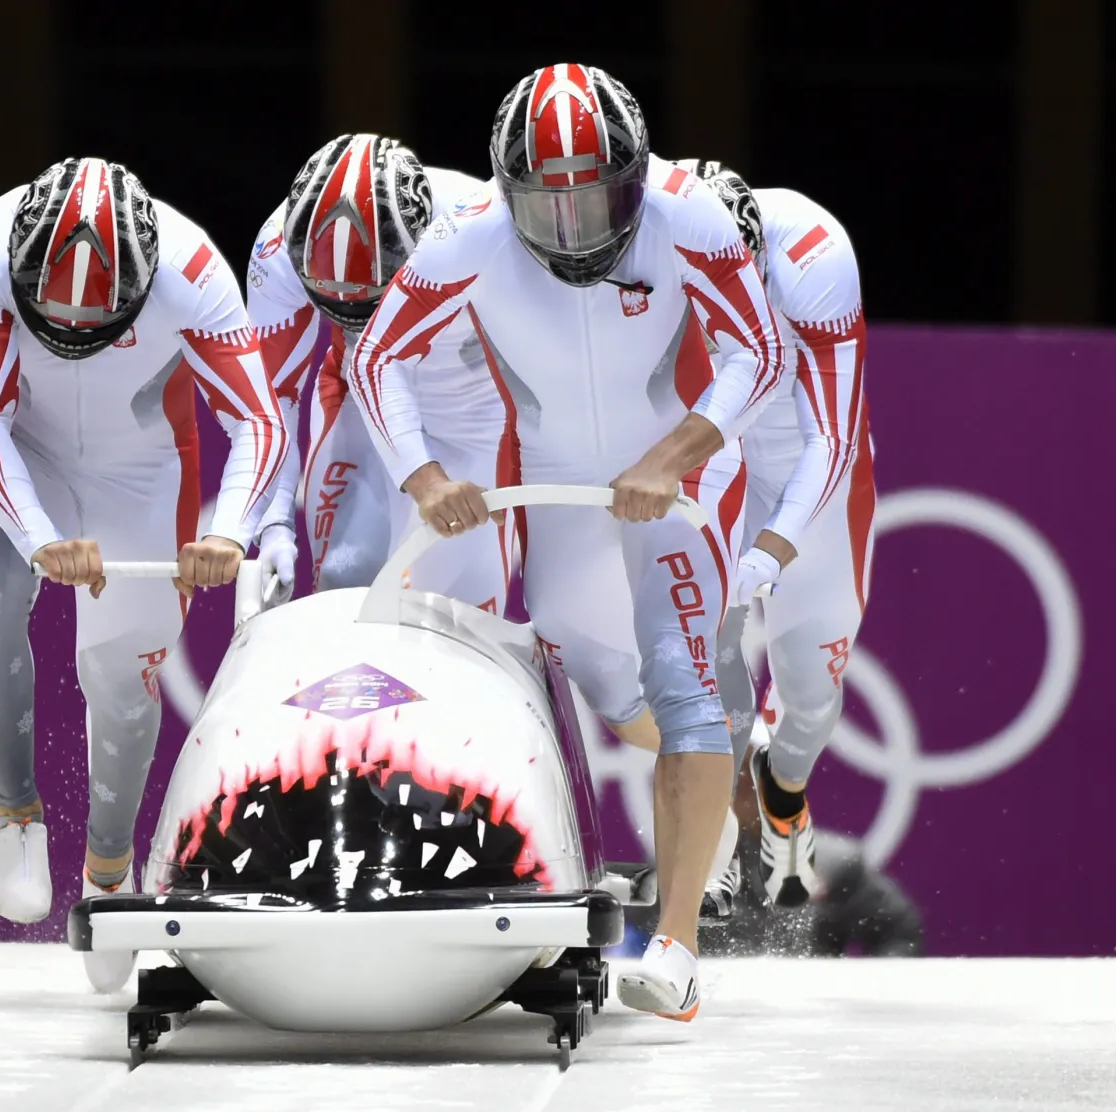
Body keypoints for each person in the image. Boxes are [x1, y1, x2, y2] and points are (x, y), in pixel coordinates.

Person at [346, 64, 785, 1020]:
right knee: (583, 659)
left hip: (679, 480)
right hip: (557, 481)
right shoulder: (465, 243)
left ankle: (676, 946)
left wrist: (674, 454)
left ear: (637, 176)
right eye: (548, 211)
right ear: (508, 197)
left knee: (679, 673)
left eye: (598, 202)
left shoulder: (689, 215)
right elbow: (377, 357)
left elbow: (762, 350)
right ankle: (730, 784)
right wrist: (425, 478)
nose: (576, 232)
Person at [0, 157, 289, 991]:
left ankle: (107, 868)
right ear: (21, 272)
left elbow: (260, 423)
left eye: (94, 316)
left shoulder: (192, 269)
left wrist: (231, 530)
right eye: (50, 310)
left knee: (116, 672)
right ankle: (18, 816)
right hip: (19, 452)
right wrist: (37, 536)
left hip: (143, 472)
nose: (68, 324)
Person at [672, 159, 874, 908]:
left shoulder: (813, 256)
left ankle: (782, 795)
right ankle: (720, 837)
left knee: (811, 696)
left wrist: (775, 547)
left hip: (805, 468)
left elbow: (835, 437)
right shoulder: (645, 254)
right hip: (714, 456)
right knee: (703, 651)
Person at [243, 134, 512, 611]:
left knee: (457, 614)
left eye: (373, 301)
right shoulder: (276, 249)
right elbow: (273, 401)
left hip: (477, 411)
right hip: (359, 400)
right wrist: (275, 524)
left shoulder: (481, 227)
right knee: (346, 579)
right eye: (334, 300)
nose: (355, 316)